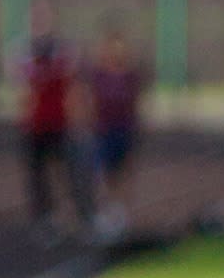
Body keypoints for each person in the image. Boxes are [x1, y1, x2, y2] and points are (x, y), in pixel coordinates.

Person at [84, 22, 148, 244]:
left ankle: (120, 216)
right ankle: (105, 215)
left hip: (124, 129)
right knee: (103, 175)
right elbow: (89, 101)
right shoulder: (98, 74)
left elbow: (136, 102)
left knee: (122, 175)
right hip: (103, 131)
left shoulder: (131, 75)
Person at [17, 28, 83, 242]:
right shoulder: (31, 69)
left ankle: (70, 214)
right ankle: (45, 218)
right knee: (39, 178)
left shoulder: (59, 67)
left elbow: (72, 77)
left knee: (64, 173)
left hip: (58, 127)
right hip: (36, 128)